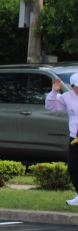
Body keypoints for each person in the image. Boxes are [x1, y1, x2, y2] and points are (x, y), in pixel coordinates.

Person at [45, 74, 78, 205]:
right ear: (72, 86)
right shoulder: (67, 97)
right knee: (73, 168)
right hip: (75, 137)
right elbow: (50, 106)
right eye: (77, 87)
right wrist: (54, 91)